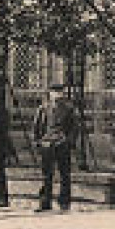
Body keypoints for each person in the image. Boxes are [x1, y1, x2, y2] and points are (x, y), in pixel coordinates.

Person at [31, 83, 78, 212]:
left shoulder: (69, 109)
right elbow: (37, 126)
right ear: (50, 93)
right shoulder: (43, 108)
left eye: (59, 92)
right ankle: (45, 202)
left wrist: (68, 142)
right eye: (54, 92)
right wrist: (38, 142)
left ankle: (64, 202)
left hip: (62, 144)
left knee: (64, 174)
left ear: (63, 94)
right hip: (47, 144)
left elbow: (74, 128)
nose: (57, 95)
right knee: (46, 175)